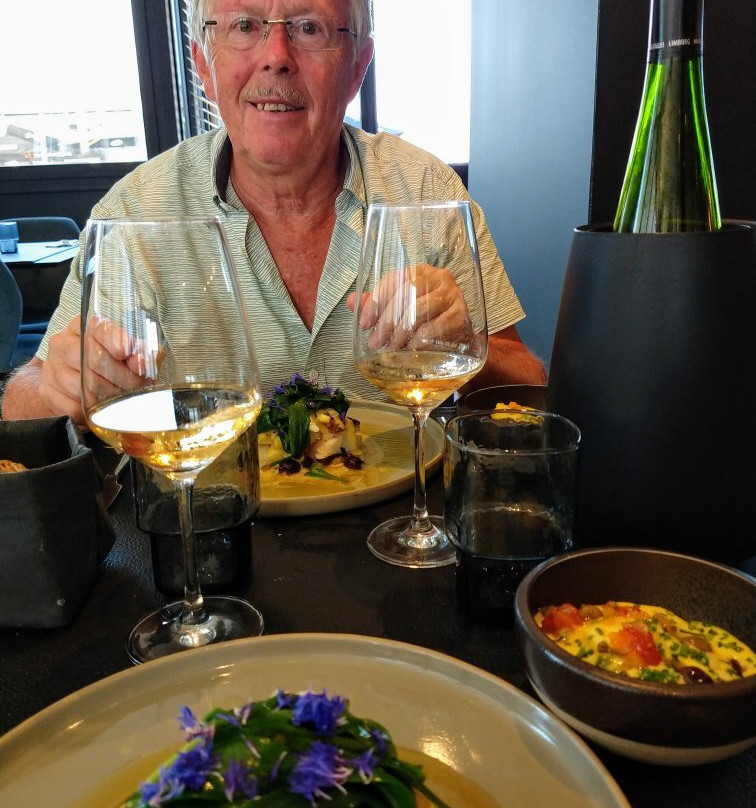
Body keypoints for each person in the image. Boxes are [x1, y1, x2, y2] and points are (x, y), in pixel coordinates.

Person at [0, 0, 545, 423]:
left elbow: (531, 384)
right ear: (203, 66)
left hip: (402, 522)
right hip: (207, 519)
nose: (277, 55)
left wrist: (461, 346)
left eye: (309, 27)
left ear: (357, 67)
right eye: (244, 25)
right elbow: (21, 403)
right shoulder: (131, 212)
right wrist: (61, 385)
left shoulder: (426, 190)